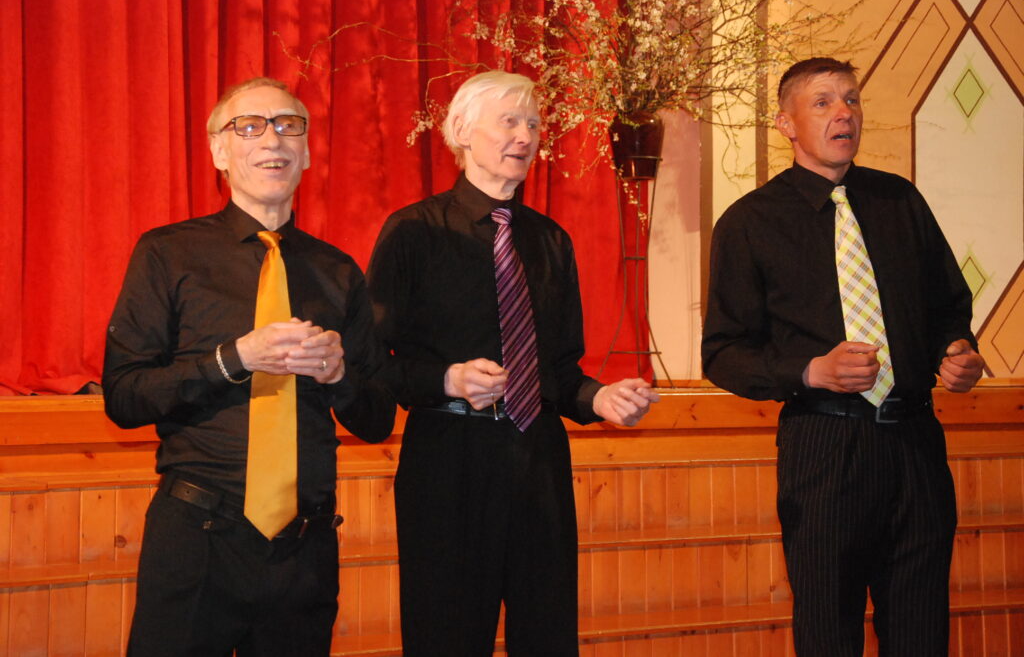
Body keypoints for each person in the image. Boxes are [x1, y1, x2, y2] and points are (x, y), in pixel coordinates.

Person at [366, 70, 660, 655]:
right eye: (509, 122)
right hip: (447, 462)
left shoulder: (550, 240)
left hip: (539, 461)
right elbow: (370, 362)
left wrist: (599, 398)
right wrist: (446, 379)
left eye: (532, 124)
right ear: (462, 132)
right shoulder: (413, 232)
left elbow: (559, 371)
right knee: (446, 639)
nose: (524, 136)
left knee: (547, 636)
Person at [702, 57, 985, 656]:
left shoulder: (899, 201)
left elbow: (948, 306)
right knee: (829, 630)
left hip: (915, 443)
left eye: (852, 100)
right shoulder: (750, 223)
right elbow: (723, 353)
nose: (844, 114)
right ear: (786, 123)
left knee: (921, 632)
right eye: (824, 101)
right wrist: (810, 371)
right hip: (824, 447)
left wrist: (958, 350)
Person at [102, 77, 395, 657]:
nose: (273, 140)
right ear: (219, 151)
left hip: (305, 550)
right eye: (250, 126)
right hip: (197, 540)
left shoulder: (339, 271)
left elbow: (378, 419)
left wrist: (337, 376)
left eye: (289, 126)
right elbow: (125, 397)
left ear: (306, 154)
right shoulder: (167, 253)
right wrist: (234, 359)